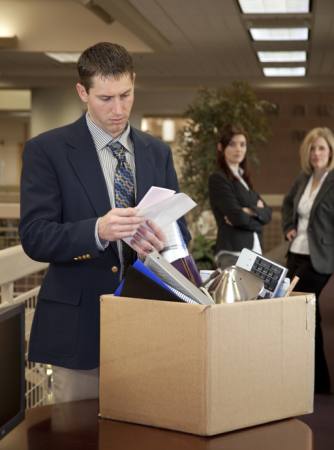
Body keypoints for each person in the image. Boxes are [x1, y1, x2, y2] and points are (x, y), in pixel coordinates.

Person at [19, 42, 190, 403]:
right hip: (79, 329)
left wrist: (162, 243)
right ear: (82, 92)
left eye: (125, 95)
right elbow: (35, 236)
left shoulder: (157, 152)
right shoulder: (46, 151)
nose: (118, 109)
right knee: (75, 437)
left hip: (147, 321)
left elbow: (179, 231)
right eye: (105, 98)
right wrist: (97, 230)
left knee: (145, 432)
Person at [282, 126, 334, 393]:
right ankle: (310, 380)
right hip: (295, 253)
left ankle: (317, 383)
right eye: (312, 148)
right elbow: (288, 204)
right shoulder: (303, 179)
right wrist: (287, 227)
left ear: (330, 151)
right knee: (300, 313)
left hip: (319, 259)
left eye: (321, 148)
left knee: (304, 311)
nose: (316, 153)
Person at [208, 124, 272, 269]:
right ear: (221, 147)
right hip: (232, 253)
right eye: (232, 144)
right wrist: (256, 216)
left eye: (242, 144)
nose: (239, 149)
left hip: (253, 252)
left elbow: (268, 213)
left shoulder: (244, 178)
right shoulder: (218, 178)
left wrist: (249, 211)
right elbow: (237, 216)